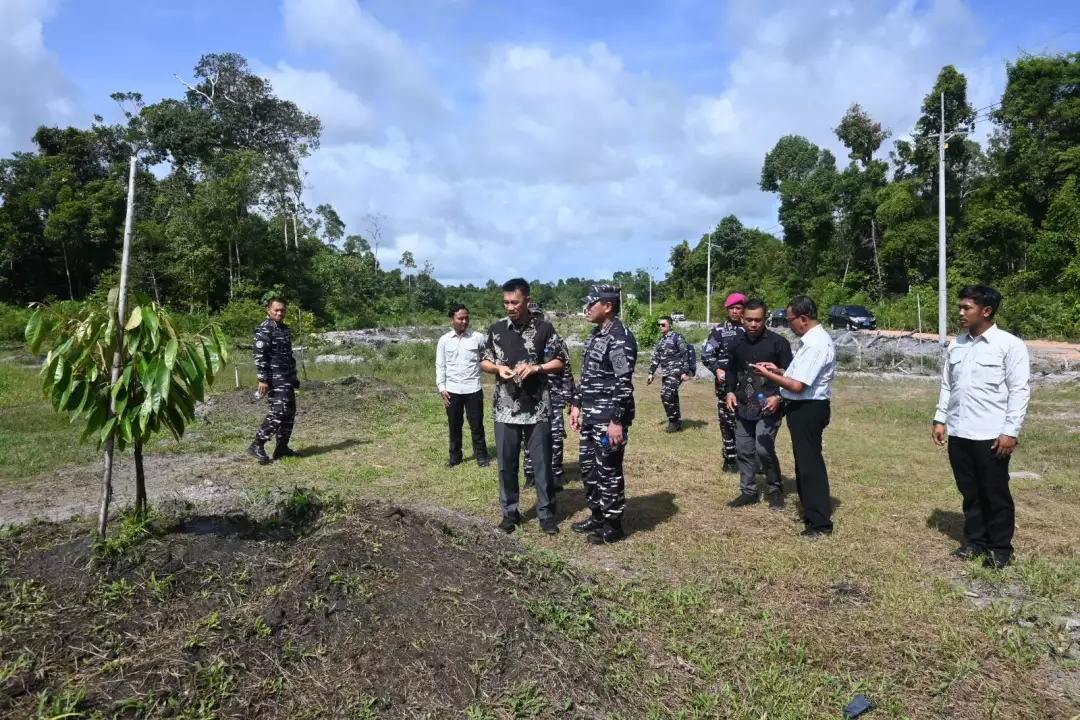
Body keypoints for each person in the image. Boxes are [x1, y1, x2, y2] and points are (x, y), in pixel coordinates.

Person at [933, 285, 1030, 569]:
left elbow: (1019, 390)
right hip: (960, 432)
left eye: (967, 308)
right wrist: (941, 419)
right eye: (960, 307)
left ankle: (1000, 549)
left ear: (986, 311)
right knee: (970, 491)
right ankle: (975, 542)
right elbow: (947, 385)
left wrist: (1010, 431)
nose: (961, 313)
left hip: (991, 434)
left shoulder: (1009, 345)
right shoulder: (956, 345)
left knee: (995, 492)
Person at [481, 279, 569, 536]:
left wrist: (537, 367)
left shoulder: (544, 328)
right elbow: (484, 361)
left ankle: (546, 514)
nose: (510, 307)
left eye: (515, 302)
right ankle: (510, 514)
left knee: (542, 464)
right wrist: (498, 368)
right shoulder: (496, 329)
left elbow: (560, 360)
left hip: (537, 408)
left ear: (527, 301)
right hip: (504, 409)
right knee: (506, 464)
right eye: (506, 302)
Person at [751, 296, 836, 538]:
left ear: (804, 318)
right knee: (804, 463)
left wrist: (766, 374)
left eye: (790, 321)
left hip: (809, 408)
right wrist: (778, 370)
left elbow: (798, 386)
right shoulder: (810, 342)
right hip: (803, 407)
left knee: (810, 466)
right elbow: (799, 375)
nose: (789, 325)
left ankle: (819, 524)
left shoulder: (816, 343)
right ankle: (812, 515)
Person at [570, 284, 638, 545]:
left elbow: (624, 384)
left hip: (608, 419)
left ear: (607, 306)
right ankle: (597, 516)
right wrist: (576, 405)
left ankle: (612, 525)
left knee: (608, 470)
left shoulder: (620, 339)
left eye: (591, 304)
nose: (587, 309)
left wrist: (617, 421)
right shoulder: (595, 335)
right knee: (589, 469)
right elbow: (586, 376)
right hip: (591, 416)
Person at [724, 299, 793, 509]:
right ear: (742, 318)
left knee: (763, 450)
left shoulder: (778, 343)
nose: (753, 324)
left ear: (765, 319)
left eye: (758, 320)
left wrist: (779, 398)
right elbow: (731, 371)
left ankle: (775, 490)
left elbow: (792, 377)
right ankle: (748, 492)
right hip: (743, 406)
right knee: (744, 450)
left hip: (769, 406)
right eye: (749, 320)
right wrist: (729, 392)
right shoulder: (735, 344)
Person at [523, 302, 575, 491]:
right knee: (529, 435)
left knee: (555, 435)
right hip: (530, 398)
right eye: (531, 316)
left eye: (538, 316)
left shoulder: (556, 341)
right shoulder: (521, 340)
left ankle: (556, 472)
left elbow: (566, 370)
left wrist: (569, 395)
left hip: (553, 396)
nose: (535, 319)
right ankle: (530, 474)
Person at [436, 303, 490, 469]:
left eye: (467, 318)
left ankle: (481, 457)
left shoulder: (478, 338)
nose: (464, 321)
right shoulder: (444, 341)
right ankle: (455, 457)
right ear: (451, 319)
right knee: (454, 425)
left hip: (473, 388)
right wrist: (441, 387)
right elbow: (440, 365)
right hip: (452, 390)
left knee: (477, 425)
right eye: (460, 318)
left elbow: (486, 358)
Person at [248, 296, 300, 464]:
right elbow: (259, 356)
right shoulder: (264, 330)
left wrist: (294, 375)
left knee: (289, 412)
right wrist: (263, 379)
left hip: (286, 377)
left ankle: (282, 447)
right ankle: (258, 444)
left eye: (282, 310)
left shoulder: (284, 329)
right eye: (276, 310)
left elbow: (289, 356)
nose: (279, 313)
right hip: (273, 377)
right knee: (278, 411)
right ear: (268, 310)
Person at [701, 293, 746, 473]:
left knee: (749, 419)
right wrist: (717, 369)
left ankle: (751, 458)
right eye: (732, 308)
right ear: (727, 310)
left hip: (748, 384)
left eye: (738, 308)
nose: (735, 311)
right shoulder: (719, 331)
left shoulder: (750, 327)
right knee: (727, 421)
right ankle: (730, 457)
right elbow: (706, 354)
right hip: (725, 384)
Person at [647, 316, 690, 432]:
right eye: (659, 325)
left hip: (676, 371)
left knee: (666, 395)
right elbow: (656, 358)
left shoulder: (677, 338)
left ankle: (672, 421)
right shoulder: (661, 341)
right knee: (672, 396)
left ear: (670, 326)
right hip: (666, 373)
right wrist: (651, 373)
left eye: (663, 325)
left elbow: (685, 355)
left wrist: (685, 372)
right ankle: (678, 422)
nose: (660, 327)